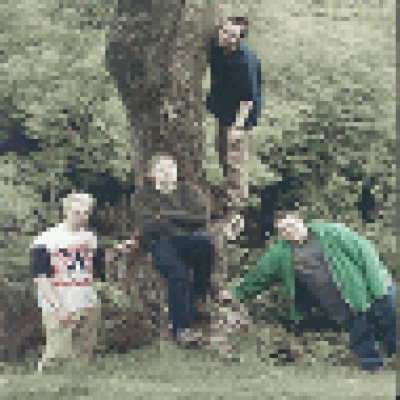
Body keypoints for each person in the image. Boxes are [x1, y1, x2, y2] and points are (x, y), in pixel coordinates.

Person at [229, 209, 397, 373]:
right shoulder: (281, 252)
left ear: (301, 221)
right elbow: (260, 275)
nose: (289, 231)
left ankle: (394, 358)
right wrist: (236, 294)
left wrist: (378, 286)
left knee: (390, 324)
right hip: (338, 301)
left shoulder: (331, 233)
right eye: (283, 230)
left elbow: (365, 253)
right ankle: (373, 367)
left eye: (291, 225)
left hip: (370, 288)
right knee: (359, 335)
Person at [131, 153, 215, 346]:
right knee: (178, 275)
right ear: (152, 174)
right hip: (160, 243)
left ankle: (200, 295)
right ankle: (182, 330)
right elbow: (148, 226)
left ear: (177, 171)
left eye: (170, 168)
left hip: (190, 240)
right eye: (161, 169)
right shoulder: (142, 197)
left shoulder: (189, 191)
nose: (167, 173)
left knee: (206, 243)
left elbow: (202, 218)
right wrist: (182, 219)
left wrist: (166, 216)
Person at [32, 192, 105, 372]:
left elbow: (96, 271)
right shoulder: (45, 240)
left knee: (83, 354)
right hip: (60, 300)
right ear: (66, 211)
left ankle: (78, 383)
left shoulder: (91, 238)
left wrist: (94, 298)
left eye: (86, 213)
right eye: (77, 212)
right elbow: (41, 277)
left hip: (86, 301)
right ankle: (45, 383)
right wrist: (58, 307)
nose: (82, 217)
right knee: (56, 355)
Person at [206, 16, 263, 217]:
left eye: (232, 35)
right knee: (222, 151)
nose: (225, 37)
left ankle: (235, 207)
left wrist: (238, 127)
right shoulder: (217, 50)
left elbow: (248, 99)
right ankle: (227, 196)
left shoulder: (244, 61)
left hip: (241, 116)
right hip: (224, 111)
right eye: (224, 31)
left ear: (239, 39)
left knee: (235, 159)